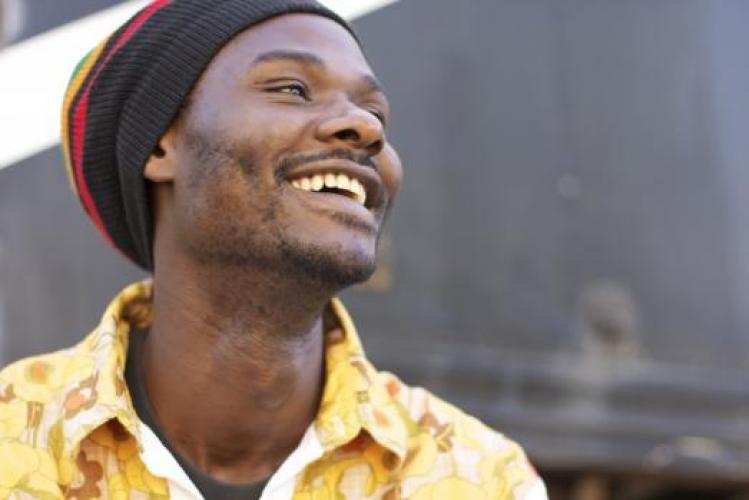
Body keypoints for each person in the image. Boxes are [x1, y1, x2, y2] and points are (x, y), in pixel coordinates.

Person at [0, 1, 547, 498]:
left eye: (376, 113)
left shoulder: (478, 478)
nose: (364, 127)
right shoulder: (14, 442)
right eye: (292, 89)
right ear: (162, 144)